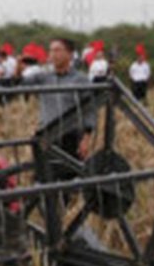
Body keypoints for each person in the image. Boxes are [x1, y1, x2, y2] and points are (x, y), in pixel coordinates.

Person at [18, 38, 96, 169]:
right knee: (44, 177)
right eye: (51, 50)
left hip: (71, 136)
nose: (53, 54)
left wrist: (86, 137)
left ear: (70, 54)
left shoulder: (81, 79)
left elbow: (90, 108)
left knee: (69, 178)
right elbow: (19, 86)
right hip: (46, 135)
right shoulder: (43, 76)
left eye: (58, 50)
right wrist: (18, 69)